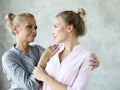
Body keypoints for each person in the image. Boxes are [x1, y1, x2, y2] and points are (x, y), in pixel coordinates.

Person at [2, 12, 99, 90]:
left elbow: (68, 61)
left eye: (35, 27)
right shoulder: (9, 57)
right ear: (15, 29)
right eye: (29, 26)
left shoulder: (39, 50)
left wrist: (91, 63)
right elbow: (30, 86)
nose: (34, 31)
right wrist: (43, 60)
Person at [32, 8, 99, 90]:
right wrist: (43, 59)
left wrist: (45, 77)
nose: (52, 32)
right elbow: (36, 76)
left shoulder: (86, 58)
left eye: (56, 26)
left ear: (69, 28)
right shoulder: (52, 51)